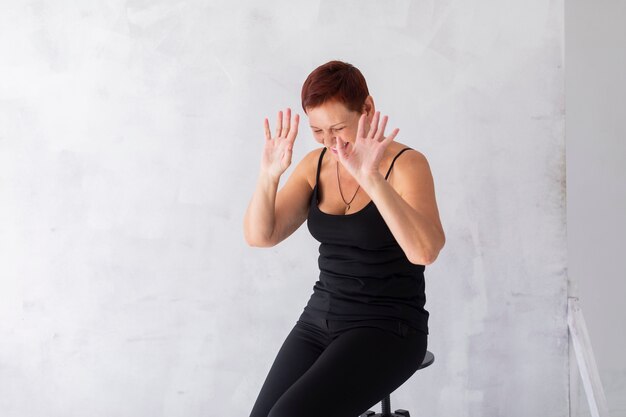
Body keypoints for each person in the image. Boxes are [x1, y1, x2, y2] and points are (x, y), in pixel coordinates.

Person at [243, 60, 445, 417]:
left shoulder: (407, 165)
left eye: (338, 127)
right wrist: (269, 175)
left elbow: (425, 252)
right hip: (319, 318)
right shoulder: (315, 164)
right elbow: (261, 236)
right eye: (318, 131)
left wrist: (371, 179)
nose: (330, 141)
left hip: (388, 326)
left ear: (366, 108)